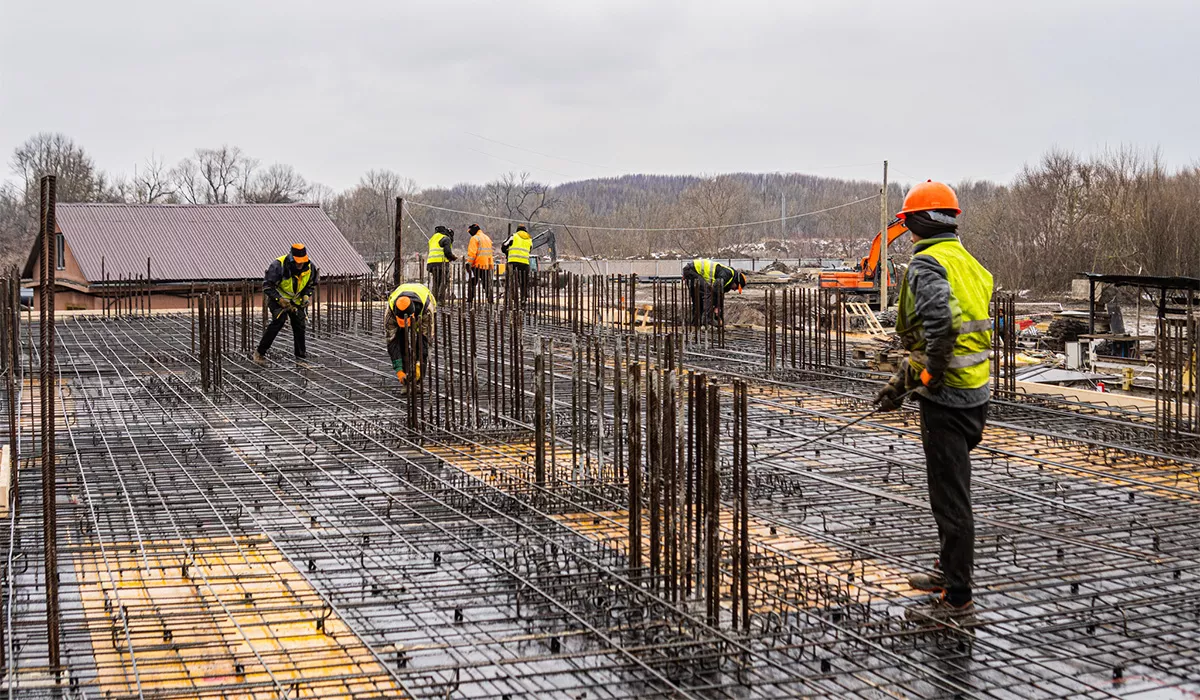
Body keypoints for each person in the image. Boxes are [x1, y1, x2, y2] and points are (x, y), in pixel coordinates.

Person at [873, 180, 994, 623]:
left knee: (950, 500)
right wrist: (900, 385)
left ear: (916, 223)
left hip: (946, 399)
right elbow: (950, 338)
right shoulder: (968, 263)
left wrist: (921, 380)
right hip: (976, 394)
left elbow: (939, 339)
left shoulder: (927, 266)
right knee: (952, 491)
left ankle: (958, 602)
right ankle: (947, 572)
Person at [254, 244, 317, 367]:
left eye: (302, 262)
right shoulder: (278, 266)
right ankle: (260, 352)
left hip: (296, 300)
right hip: (277, 298)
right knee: (279, 321)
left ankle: (301, 359)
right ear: (292, 258)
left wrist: (306, 296)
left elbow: (311, 285)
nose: (300, 265)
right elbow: (267, 287)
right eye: (298, 262)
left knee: (299, 324)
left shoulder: (310, 267)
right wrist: (280, 300)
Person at [385, 282, 437, 385]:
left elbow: (425, 340)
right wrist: (399, 369)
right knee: (401, 341)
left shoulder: (426, 310)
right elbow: (392, 342)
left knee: (421, 343)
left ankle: (418, 379)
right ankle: (405, 379)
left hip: (424, 307)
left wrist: (419, 362)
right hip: (403, 295)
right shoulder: (390, 314)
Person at [682, 258, 747, 326]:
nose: (734, 289)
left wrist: (718, 311)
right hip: (692, 270)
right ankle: (708, 320)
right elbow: (715, 288)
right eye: (736, 287)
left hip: (691, 271)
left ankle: (696, 322)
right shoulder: (727, 274)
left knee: (699, 299)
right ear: (736, 281)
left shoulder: (727, 281)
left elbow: (720, 295)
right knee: (708, 292)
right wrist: (716, 306)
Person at [501, 224, 533, 304]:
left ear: (517, 230)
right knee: (524, 283)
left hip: (513, 262)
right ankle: (523, 298)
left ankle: (510, 298)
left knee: (510, 281)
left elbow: (504, 245)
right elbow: (530, 249)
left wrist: (507, 252)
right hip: (525, 264)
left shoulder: (513, 236)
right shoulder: (529, 239)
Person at [464, 223, 494, 303]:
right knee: (487, 284)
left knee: (472, 284)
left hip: (476, 265)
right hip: (486, 265)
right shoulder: (487, 238)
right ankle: (490, 300)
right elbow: (490, 253)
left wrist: (469, 263)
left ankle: (470, 300)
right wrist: (491, 265)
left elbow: (472, 253)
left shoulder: (474, 238)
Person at [426, 225, 457, 301]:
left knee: (436, 282)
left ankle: (434, 299)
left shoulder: (432, 239)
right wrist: (453, 257)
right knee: (444, 281)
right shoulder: (445, 238)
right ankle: (441, 298)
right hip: (441, 263)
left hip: (431, 263)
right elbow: (447, 252)